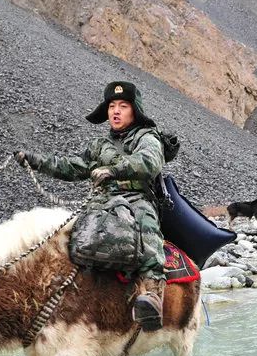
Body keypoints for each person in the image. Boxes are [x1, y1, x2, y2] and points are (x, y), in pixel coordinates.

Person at [15, 81, 167, 331]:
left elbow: (148, 163)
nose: (115, 111)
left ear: (134, 111)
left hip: (135, 200)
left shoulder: (147, 137)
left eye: (123, 106)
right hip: (102, 203)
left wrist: (114, 170)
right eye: (111, 106)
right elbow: (72, 167)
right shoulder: (98, 146)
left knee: (147, 229)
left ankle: (152, 295)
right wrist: (35, 161)